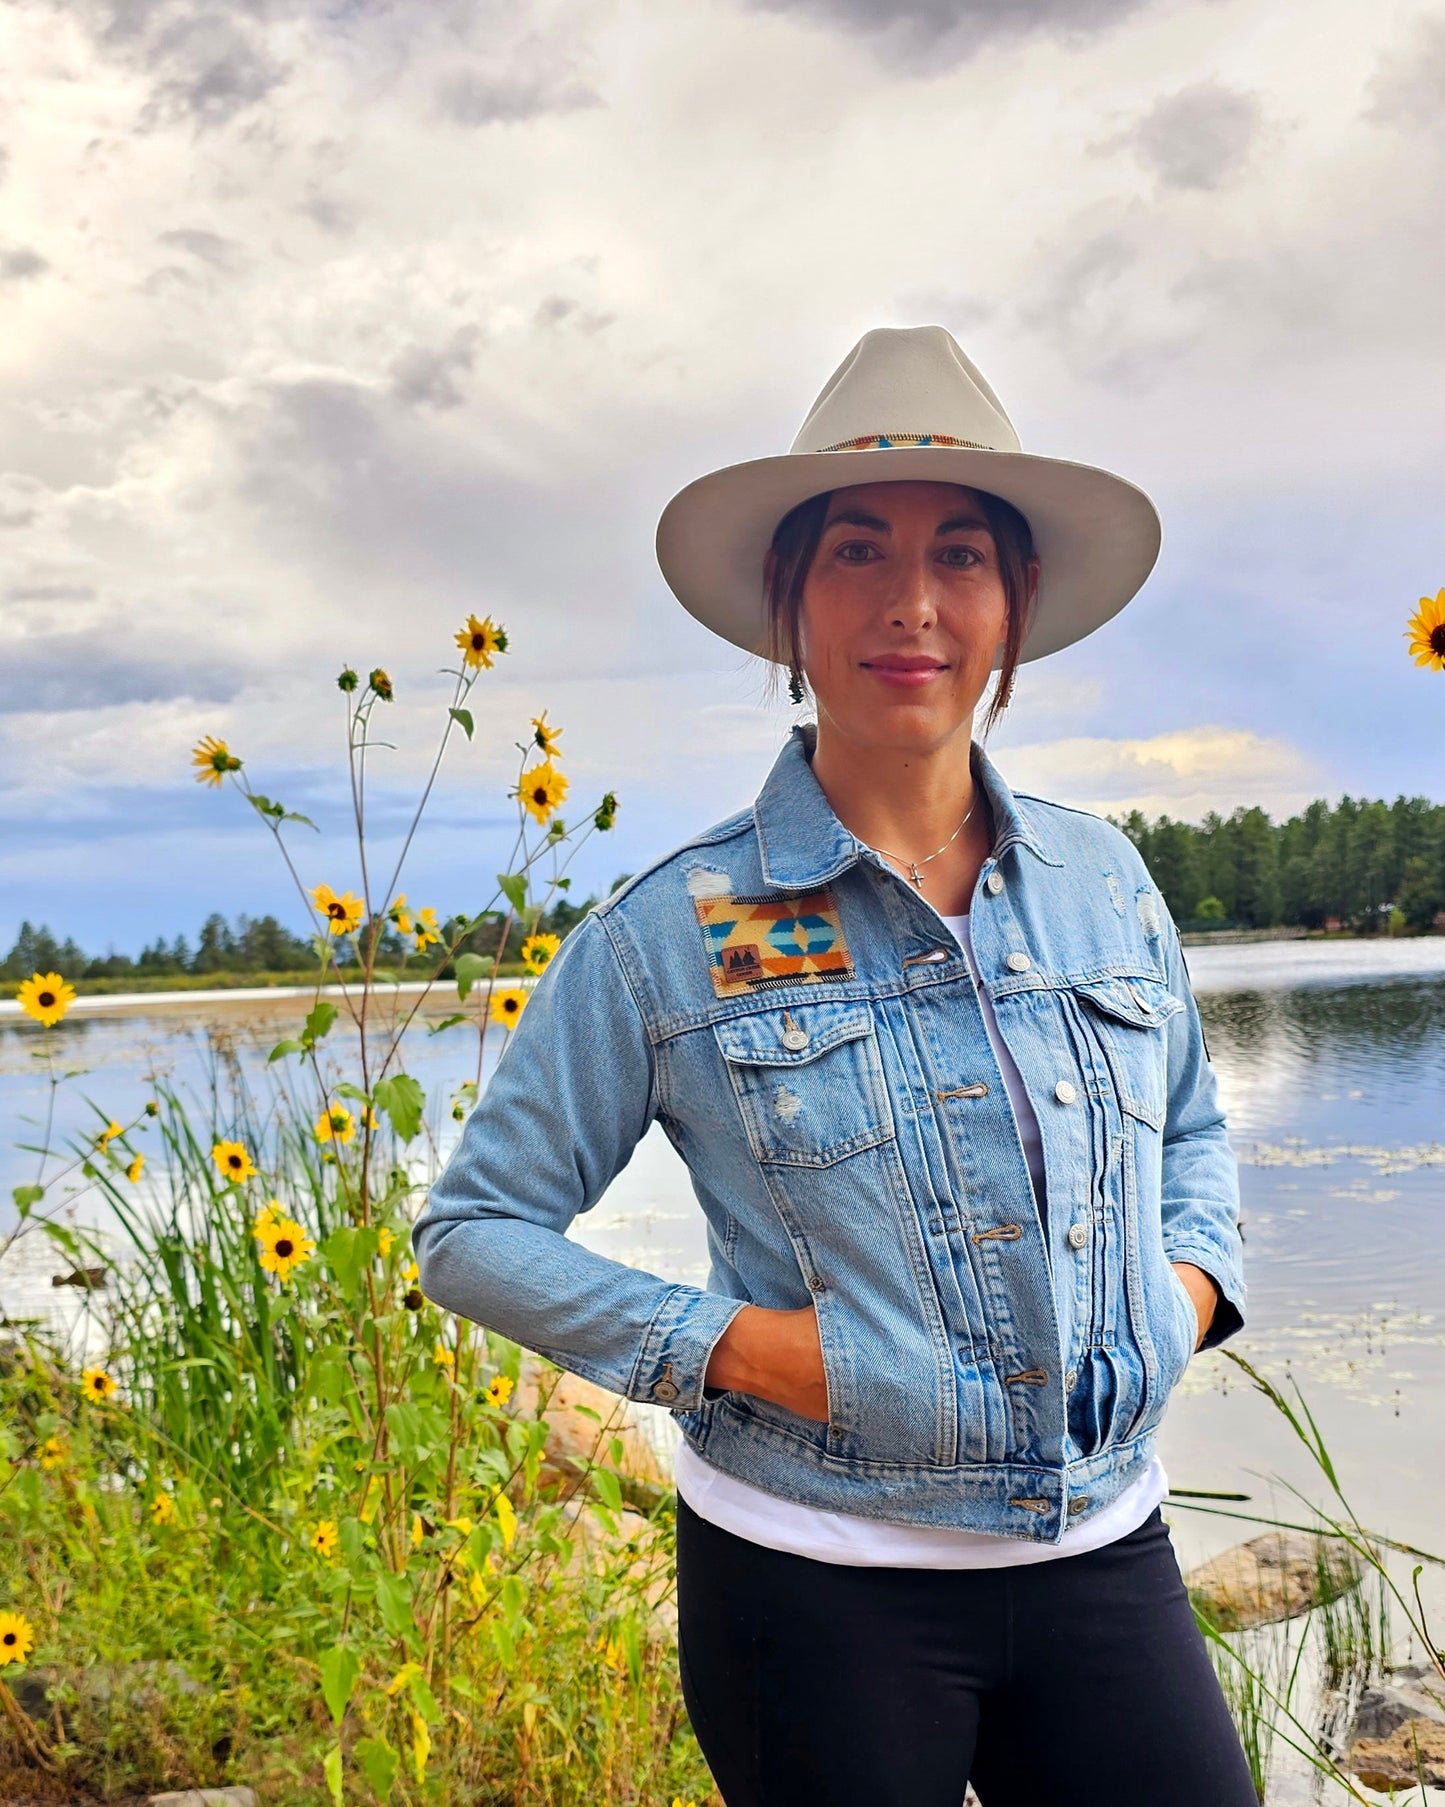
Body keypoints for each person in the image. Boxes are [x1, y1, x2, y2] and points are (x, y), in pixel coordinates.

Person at [413, 325, 1253, 1805]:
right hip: (815, 1585)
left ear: (1017, 601)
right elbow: (473, 1235)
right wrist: (737, 1351)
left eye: (961, 556)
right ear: (786, 606)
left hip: (1102, 1550)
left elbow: (1191, 1133)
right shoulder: (668, 932)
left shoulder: (1101, 878)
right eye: (857, 553)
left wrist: (1178, 1298)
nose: (911, 603)